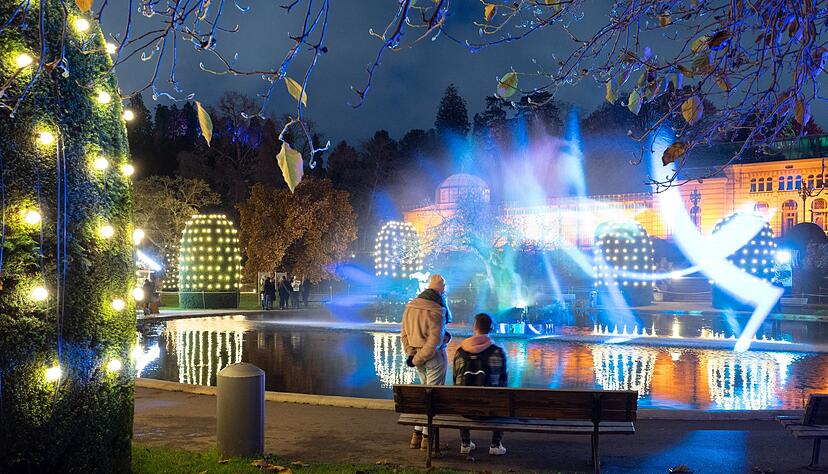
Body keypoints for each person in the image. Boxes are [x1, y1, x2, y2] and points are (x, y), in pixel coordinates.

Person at [400, 274, 451, 450]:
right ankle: (427, 439)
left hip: (417, 356)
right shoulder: (438, 310)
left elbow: (404, 334)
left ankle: (417, 434)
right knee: (432, 398)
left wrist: (412, 355)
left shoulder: (410, 306)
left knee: (425, 395)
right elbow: (434, 342)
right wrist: (419, 357)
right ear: (441, 291)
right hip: (434, 358)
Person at [453, 313, 508, 456]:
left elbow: (455, 380)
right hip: (491, 409)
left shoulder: (459, 352)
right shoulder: (497, 352)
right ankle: (495, 445)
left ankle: (465, 443)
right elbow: (503, 382)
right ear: (490, 328)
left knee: (461, 394)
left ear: (474, 327)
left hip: (465, 410)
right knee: (503, 398)